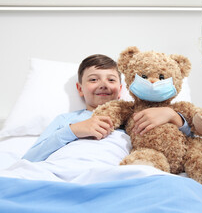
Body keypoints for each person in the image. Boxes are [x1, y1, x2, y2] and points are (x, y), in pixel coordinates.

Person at [22, 54, 191, 162]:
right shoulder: (66, 121)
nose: (103, 85)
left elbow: (184, 142)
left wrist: (171, 115)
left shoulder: (134, 117)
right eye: (93, 80)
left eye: (111, 80)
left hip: (112, 175)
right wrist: (73, 130)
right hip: (60, 171)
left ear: (121, 89)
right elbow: (29, 158)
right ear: (80, 88)